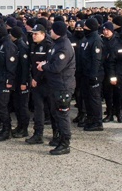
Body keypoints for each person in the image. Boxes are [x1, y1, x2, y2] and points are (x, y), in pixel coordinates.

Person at [36, 21, 76, 155]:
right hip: (55, 85)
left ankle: (65, 143)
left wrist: (44, 66)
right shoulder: (57, 44)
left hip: (63, 86)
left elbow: (57, 67)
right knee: (57, 114)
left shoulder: (63, 47)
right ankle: (59, 139)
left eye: (52, 30)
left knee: (63, 115)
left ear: (57, 31)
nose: (50, 32)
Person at [0, 24, 18, 141]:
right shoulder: (0, 44)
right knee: (0, 105)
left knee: (2, 106)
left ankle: (7, 130)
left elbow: (11, 66)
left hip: (5, 81)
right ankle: (4, 128)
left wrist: (9, 81)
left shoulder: (8, 46)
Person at [80, 18, 105, 131]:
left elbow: (96, 59)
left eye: (86, 27)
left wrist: (94, 75)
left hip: (94, 74)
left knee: (94, 98)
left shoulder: (96, 40)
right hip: (85, 73)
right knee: (87, 97)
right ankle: (90, 118)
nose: (84, 29)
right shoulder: (87, 38)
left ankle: (97, 121)